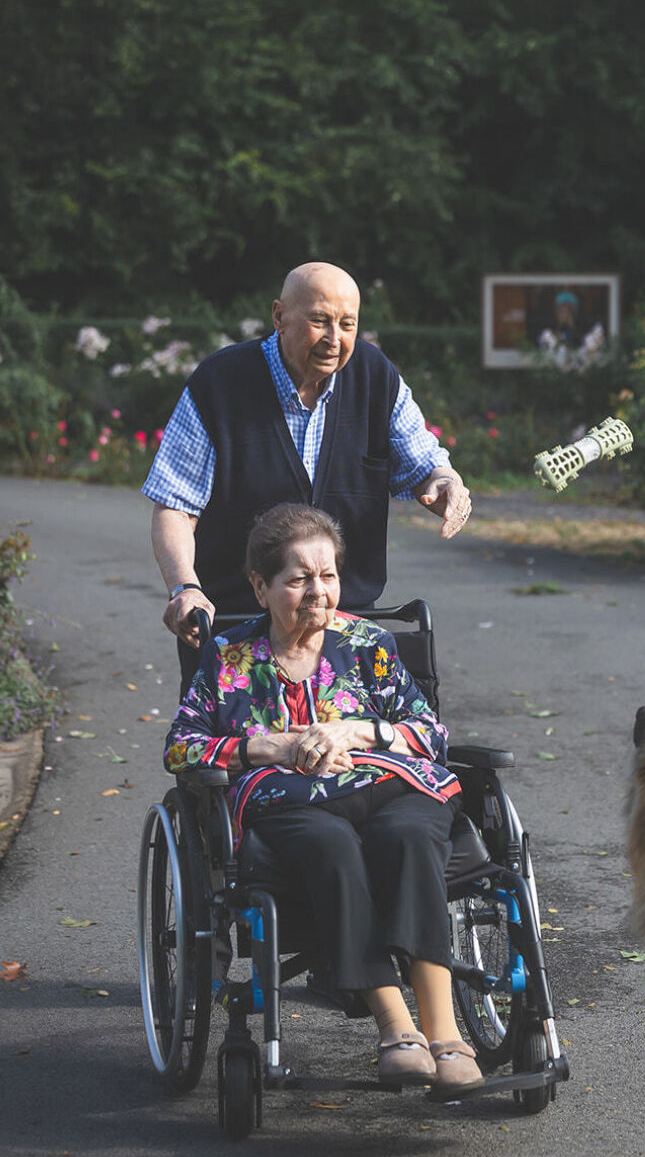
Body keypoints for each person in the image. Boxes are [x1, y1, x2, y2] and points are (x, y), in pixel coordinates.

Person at [163, 503, 483, 1091]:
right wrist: (271, 747)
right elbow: (181, 749)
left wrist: (358, 731)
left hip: (391, 785)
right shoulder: (229, 659)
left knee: (411, 836)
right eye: (299, 578)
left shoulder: (369, 645)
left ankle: (447, 1035)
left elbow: (431, 735)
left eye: (328, 575)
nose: (319, 592)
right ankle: (397, 1028)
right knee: (333, 846)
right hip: (295, 803)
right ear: (260, 587)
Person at [142, 262, 473, 691]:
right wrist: (184, 589)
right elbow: (175, 505)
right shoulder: (220, 383)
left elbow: (425, 462)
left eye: (348, 324)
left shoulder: (375, 377)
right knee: (247, 754)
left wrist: (442, 481)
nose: (335, 339)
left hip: (345, 629)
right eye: (319, 321)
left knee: (352, 753)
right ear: (278, 316)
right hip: (236, 628)